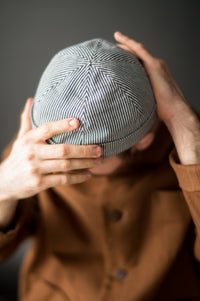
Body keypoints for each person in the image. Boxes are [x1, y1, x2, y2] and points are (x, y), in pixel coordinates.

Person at [0, 31, 200, 301]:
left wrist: (190, 142)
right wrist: (4, 188)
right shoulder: (35, 150)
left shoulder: (190, 146)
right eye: (53, 146)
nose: (58, 158)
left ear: (143, 141)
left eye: (78, 156)